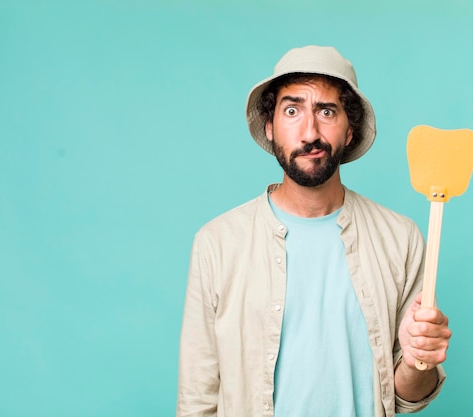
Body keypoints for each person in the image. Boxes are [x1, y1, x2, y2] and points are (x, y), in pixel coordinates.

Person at [176, 45, 452, 417]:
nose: (310, 131)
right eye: (292, 110)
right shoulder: (217, 243)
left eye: (327, 111)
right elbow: (196, 399)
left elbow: (408, 397)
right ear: (270, 127)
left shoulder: (399, 239)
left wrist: (420, 360)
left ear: (350, 130)